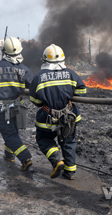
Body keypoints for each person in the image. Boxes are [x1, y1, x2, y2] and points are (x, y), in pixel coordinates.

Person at [29, 44, 87, 180]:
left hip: (47, 116)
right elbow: (82, 92)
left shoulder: (39, 77)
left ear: (44, 60)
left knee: (44, 139)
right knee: (69, 142)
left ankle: (56, 161)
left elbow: (35, 100)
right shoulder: (71, 73)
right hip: (69, 115)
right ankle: (70, 172)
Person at [0, 37, 34, 171]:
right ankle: (9, 155)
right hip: (18, 107)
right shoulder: (24, 69)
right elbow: (33, 87)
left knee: (9, 134)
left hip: (2, 107)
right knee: (13, 131)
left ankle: (25, 159)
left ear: (4, 50)